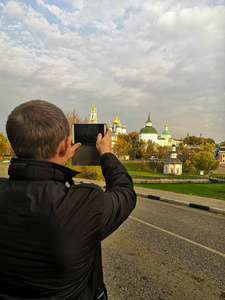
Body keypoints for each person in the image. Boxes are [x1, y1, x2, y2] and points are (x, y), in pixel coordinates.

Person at [0, 100, 136, 300]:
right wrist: (106, 154)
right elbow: (125, 192)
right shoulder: (83, 205)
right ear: (65, 145)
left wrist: (60, 157)